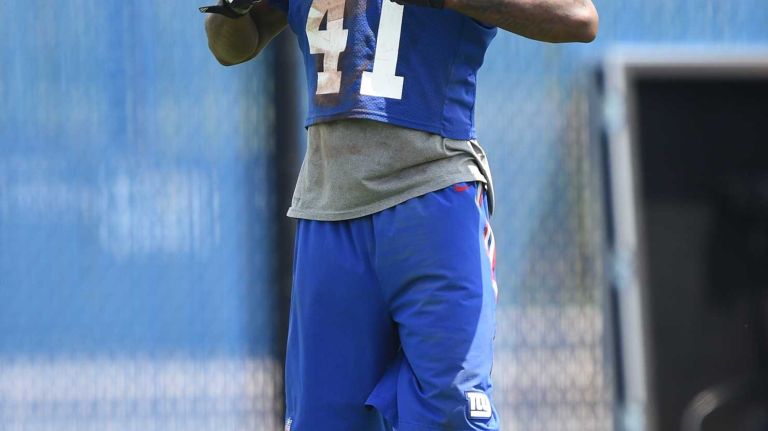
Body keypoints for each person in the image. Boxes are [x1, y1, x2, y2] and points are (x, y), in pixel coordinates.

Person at [202, 0, 597, 428]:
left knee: (451, 415)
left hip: (432, 201)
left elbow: (578, 17)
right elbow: (232, 45)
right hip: (329, 212)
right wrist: (233, 9)